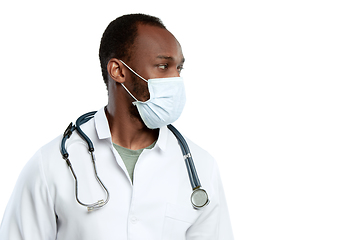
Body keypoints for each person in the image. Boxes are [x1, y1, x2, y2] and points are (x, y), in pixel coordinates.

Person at [0, 13, 234, 239]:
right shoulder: (52, 164)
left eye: (178, 68)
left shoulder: (201, 167)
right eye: (163, 66)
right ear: (118, 71)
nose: (176, 79)